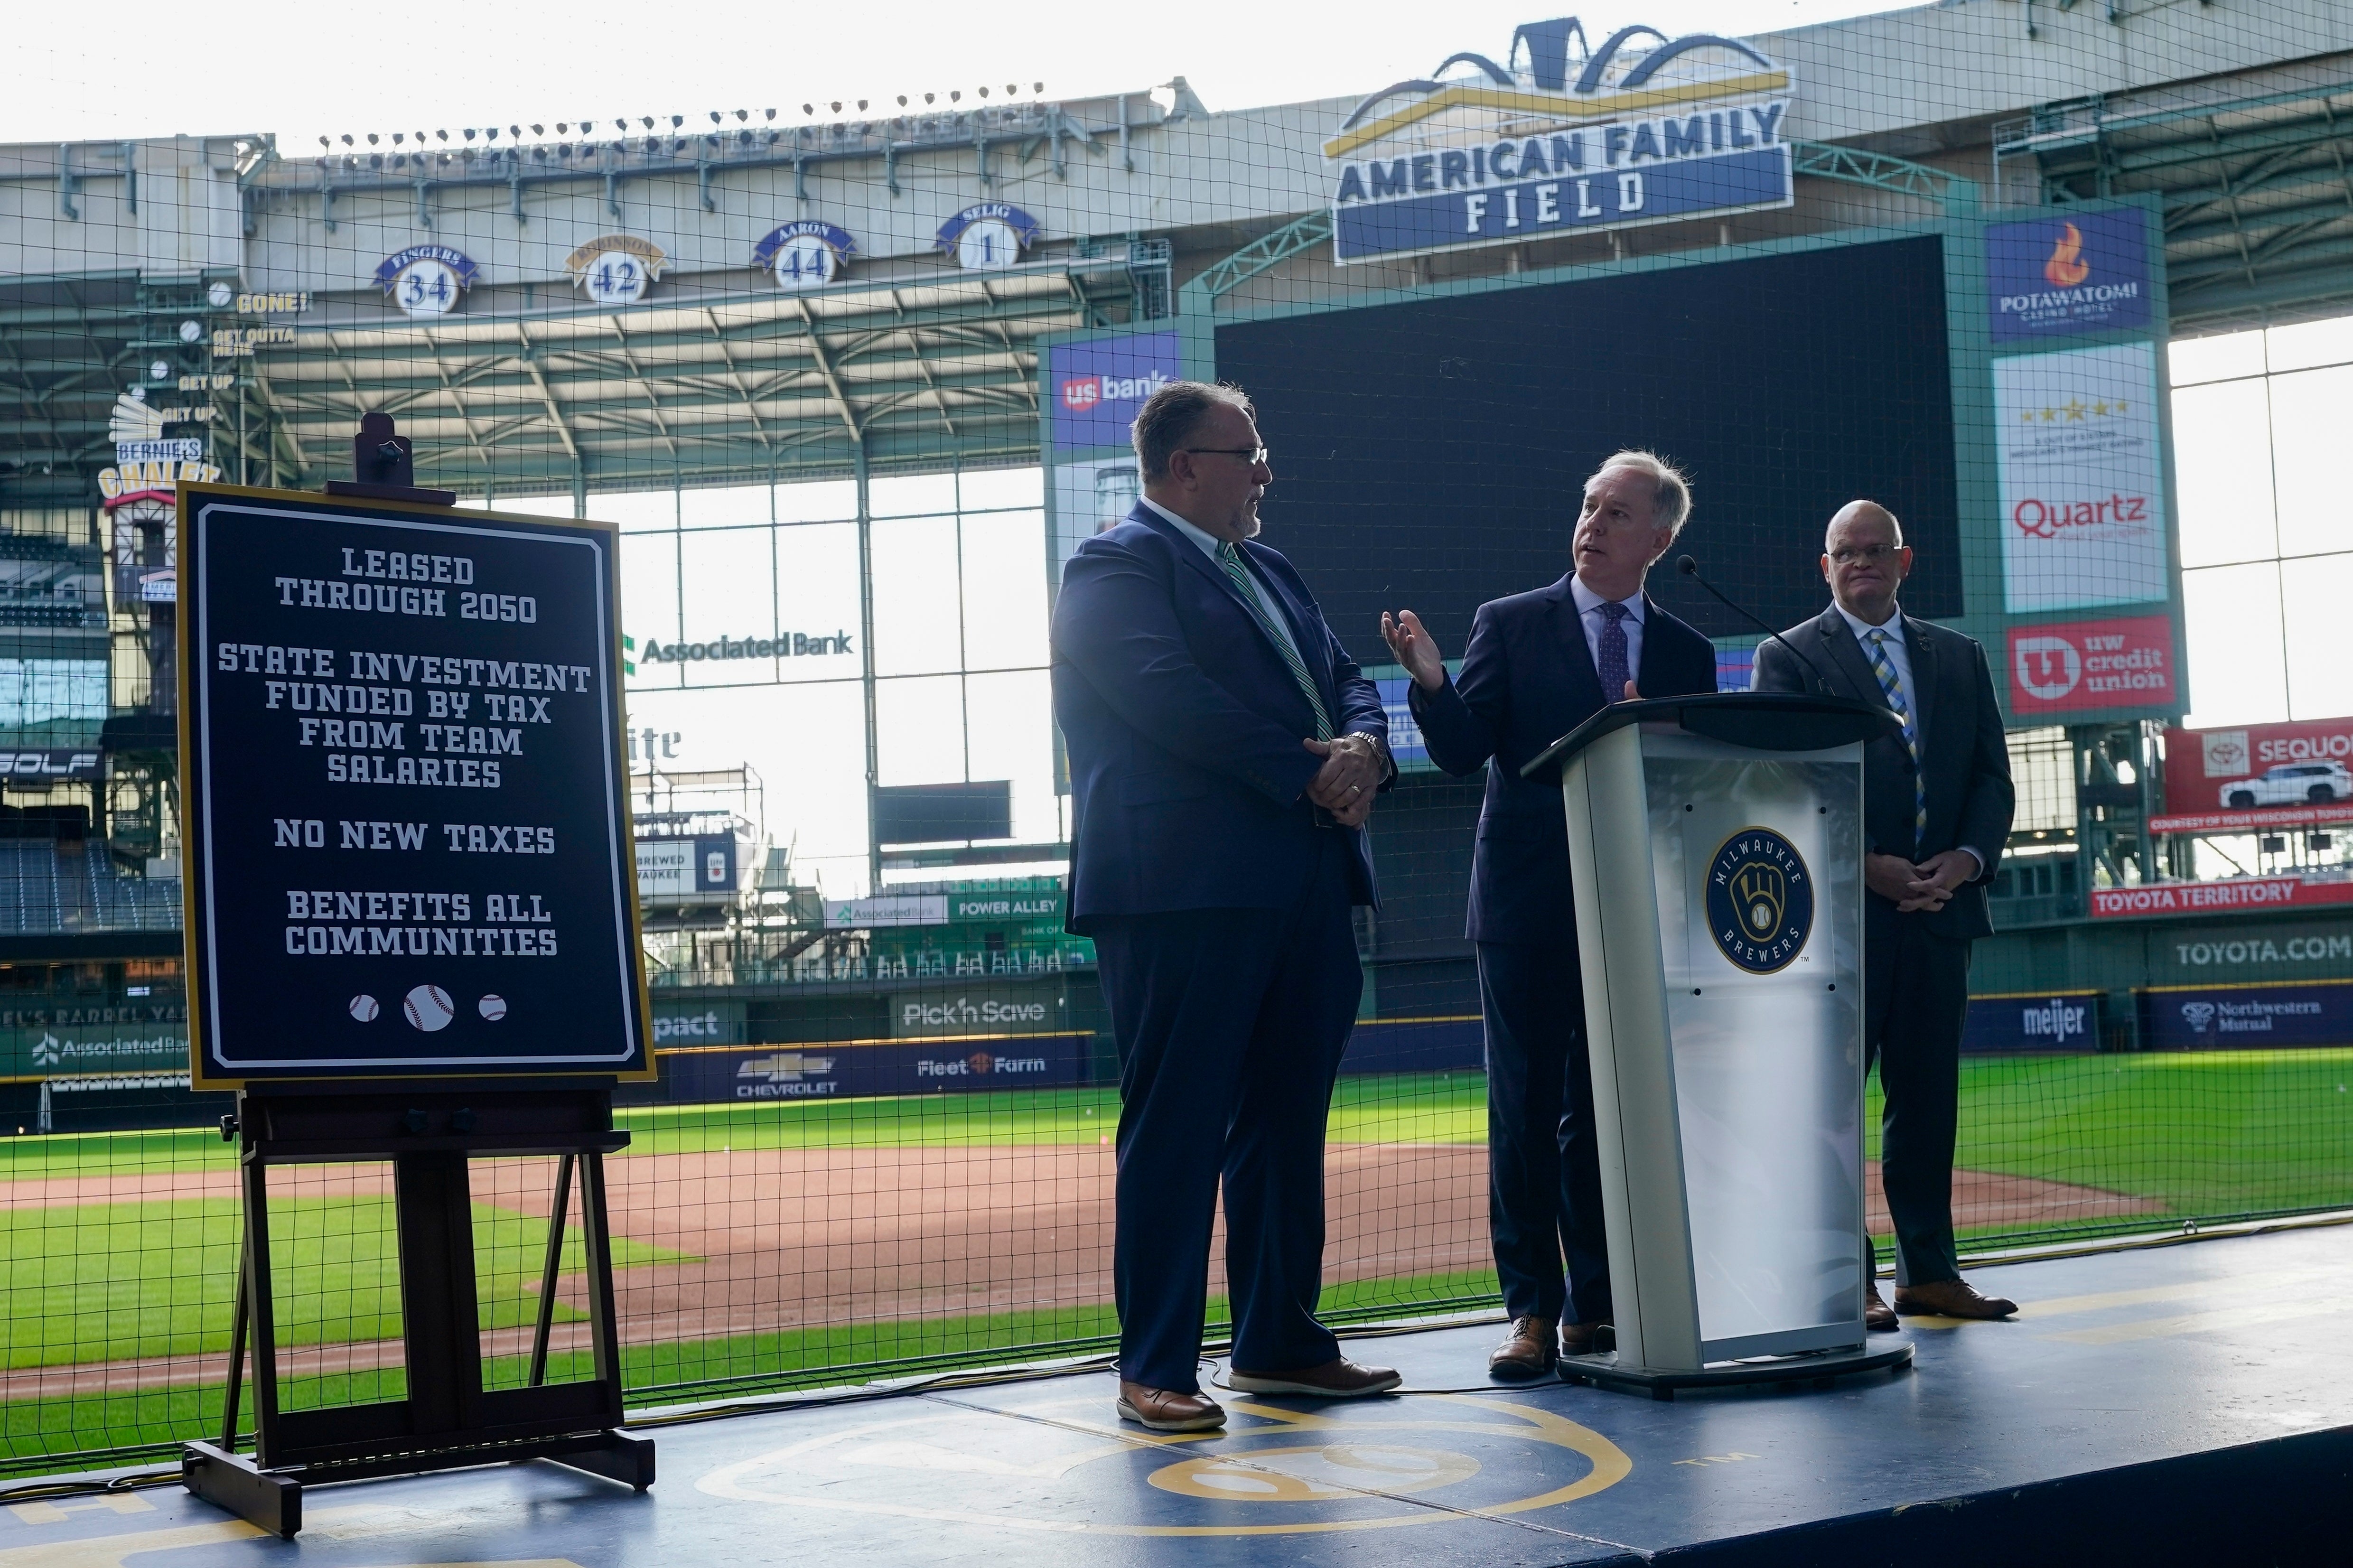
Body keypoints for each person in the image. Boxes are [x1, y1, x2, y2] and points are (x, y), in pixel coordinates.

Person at [1051, 380, 1402, 1432]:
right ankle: (1153, 1364)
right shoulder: (1112, 563)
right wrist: (1311, 771)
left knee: (1287, 1122)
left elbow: (1345, 676)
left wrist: (1364, 745)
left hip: (1303, 881)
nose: (1264, 471)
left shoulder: (1271, 568)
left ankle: (1281, 1341)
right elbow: (1164, 695)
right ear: (1180, 465)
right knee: (1177, 1126)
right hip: (1180, 890)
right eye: (1245, 451)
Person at [1380, 451, 1718, 1381]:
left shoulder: (1686, 654)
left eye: (1616, 514)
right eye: (1587, 506)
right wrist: (1433, 683)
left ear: (1658, 539)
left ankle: (1599, 1305)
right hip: (1528, 905)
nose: (1592, 523)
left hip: (1635, 909)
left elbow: (1701, 788)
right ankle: (1531, 1307)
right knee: (1525, 1108)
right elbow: (1460, 753)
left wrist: (1667, 745)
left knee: (1607, 1112)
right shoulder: (1511, 623)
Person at [1751, 499, 2018, 1326]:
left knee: (1926, 1101)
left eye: (1876, 550)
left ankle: (1928, 1273)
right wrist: (1864, 866)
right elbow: (1779, 786)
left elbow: (1990, 778)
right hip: (1839, 923)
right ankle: (1846, 1280)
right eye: (1845, 552)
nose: (1861, 562)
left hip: (1940, 915)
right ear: (1823, 567)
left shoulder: (1959, 655)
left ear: (1905, 562)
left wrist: (1964, 863)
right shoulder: (1787, 656)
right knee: (1829, 1110)